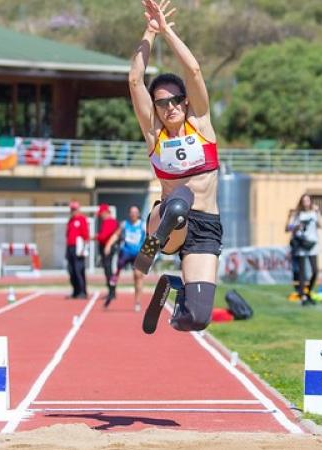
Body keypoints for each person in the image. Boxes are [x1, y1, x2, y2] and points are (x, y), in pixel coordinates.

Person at [128, 0, 223, 333]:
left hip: (206, 226)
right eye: (161, 103)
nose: (168, 108)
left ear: (185, 102)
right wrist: (149, 33)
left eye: (174, 101)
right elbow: (135, 80)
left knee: (196, 319)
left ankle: (173, 284)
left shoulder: (202, 125)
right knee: (179, 202)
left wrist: (166, 30)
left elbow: (194, 71)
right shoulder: (154, 135)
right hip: (167, 219)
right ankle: (154, 245)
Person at [107, 205, 147, 311]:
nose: (133, 214)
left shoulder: (143, 226)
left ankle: (137, 302)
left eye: (135, 212)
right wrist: (108, 245)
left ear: (138, 214)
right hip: (126, 252)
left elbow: (151, 238)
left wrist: (150, 255)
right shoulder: (125, 224)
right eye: (132, 212)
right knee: (118, 267)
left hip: (139, 254)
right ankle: (114, 280)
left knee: (138, 276)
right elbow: (116, 235)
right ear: (129, 214)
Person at [286, 194, 322, 306]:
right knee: (302, 273)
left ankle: (308, 291)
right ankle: (303, 296)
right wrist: (296, 226)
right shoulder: (298, 215)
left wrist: (318, 212)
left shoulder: (314, 213)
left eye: (308, 200)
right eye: (304, 200)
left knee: (315, 270)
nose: (306, 202)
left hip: (312, 244)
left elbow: (320, 225)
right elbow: (288, 228)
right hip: (301, 244)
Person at [96, 203, 120, 303]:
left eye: (101, 214)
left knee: (109, 270)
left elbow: (104, 236)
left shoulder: (110, 222)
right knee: (108, 270)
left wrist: (95, 237)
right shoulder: (107, 222)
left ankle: (112, 291)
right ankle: (111, 290)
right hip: (106, 248)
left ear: (105, 212)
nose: (100, 216)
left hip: (109, 249)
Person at [65, 201, 89, 299]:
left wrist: (84, 249)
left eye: (74, 209)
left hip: (78, 248)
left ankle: (82, 291)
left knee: (78, 270)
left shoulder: (82, 219)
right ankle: (75, 291)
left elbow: (85, 235)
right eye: (72, 209)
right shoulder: (70, 220)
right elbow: (67, 234)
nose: (73, 211)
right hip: (70, 247)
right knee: (71, 270)